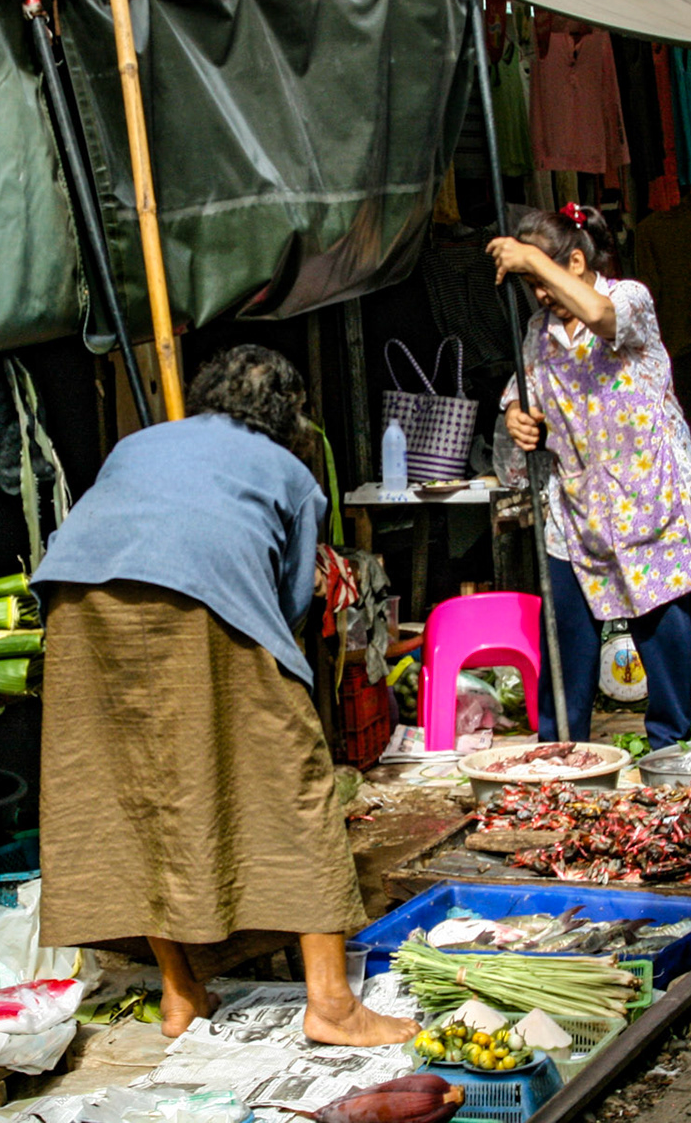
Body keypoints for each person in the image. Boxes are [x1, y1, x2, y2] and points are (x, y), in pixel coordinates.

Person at [29, 345, 416, 1048]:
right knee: (295, 780)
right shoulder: (293, 474)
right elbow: (294, 603)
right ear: (290, 416)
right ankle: (331, 1004)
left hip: (75, 599)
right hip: (201, 598)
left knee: (137, 788)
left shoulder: (141, 442)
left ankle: (181, 994)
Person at [491, 204, 691, 752]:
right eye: (530, 286)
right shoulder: (538, 335)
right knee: (567, 644)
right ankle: (562, 755)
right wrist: (518, 418)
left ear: (577, 261)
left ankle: (669, 750)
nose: (539, 295)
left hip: (648, 497)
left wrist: (535, 259)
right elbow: (523, 401)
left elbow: (603, 317)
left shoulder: (628, 298)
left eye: (542, 280)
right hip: (576, 510)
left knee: (664, 632)